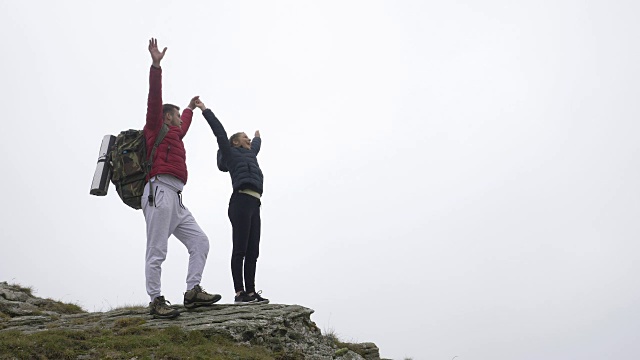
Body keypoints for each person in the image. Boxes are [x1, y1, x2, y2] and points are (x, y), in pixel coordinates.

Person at [143, 38, 221, 319]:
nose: (179, 119)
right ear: (166, 118)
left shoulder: (174, 132)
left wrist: (189, 108)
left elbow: (185, 124)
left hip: (176, 197)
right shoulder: (154, 126)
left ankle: (192, 293)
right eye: (176, 115)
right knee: (157, 249)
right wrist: (156, 66)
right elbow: (154, 98)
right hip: (158, 191)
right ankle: (155, 300)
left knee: (200, 242)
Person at [195, 98, 269, 305]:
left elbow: (255, 147)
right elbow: (219, 133)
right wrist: (205, 110)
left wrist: (257, 138)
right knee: (241, 249)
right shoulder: (230, 153)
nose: (248, 140)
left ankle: (251, 292)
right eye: (244, 137)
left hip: (255, 203)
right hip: (240, 202)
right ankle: (239, 293)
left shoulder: (250, 154)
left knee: (253, 250)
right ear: (235, 142)